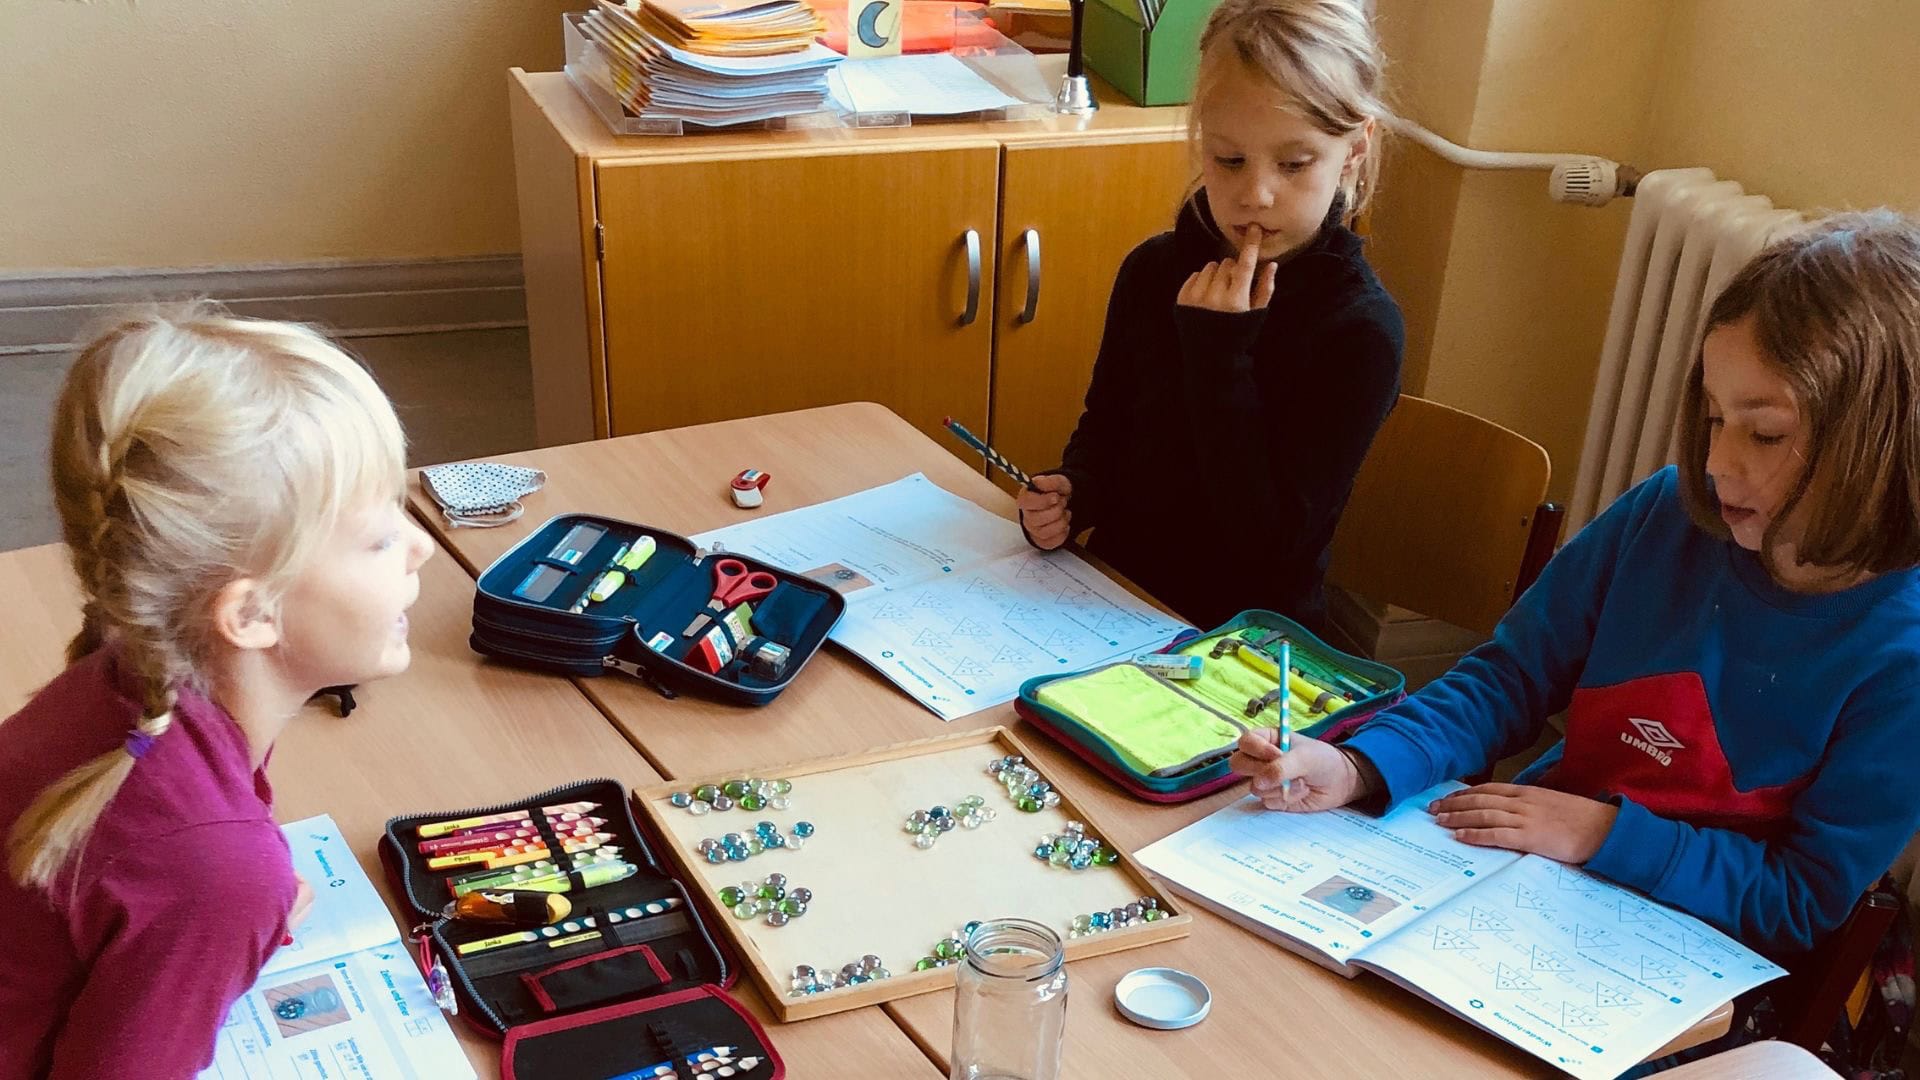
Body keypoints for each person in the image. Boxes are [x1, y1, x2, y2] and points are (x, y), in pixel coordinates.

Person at [1232, 211, 1920, 963]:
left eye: (1763, 434)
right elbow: (1509, 678)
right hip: (1526, 888)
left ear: (1878, 443)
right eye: (1714, 418)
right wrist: (1360, 764)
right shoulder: (1664, 513)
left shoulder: (1901, 651)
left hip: (1684, 963)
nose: (1719, 463)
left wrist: (1601, 833)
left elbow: (1798, 901)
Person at [0, 307, 434, 1078]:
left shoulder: (119, 666)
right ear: (251, 613)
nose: (422, 545)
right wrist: (224, 904)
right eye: (378, 537)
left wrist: (213, 919)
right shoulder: (215, 869)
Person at [1017, 0, 1404, 632]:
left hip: (1241, 641)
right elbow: (1109, 428)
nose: (1257, 193)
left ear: (1354, 151)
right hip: (1106, 603)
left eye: (1294, 163)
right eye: (1230, 161)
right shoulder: (1153, 271)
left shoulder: (1359, 329)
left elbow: (1271, 548)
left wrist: (1220, 357)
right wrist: (1072, 493)